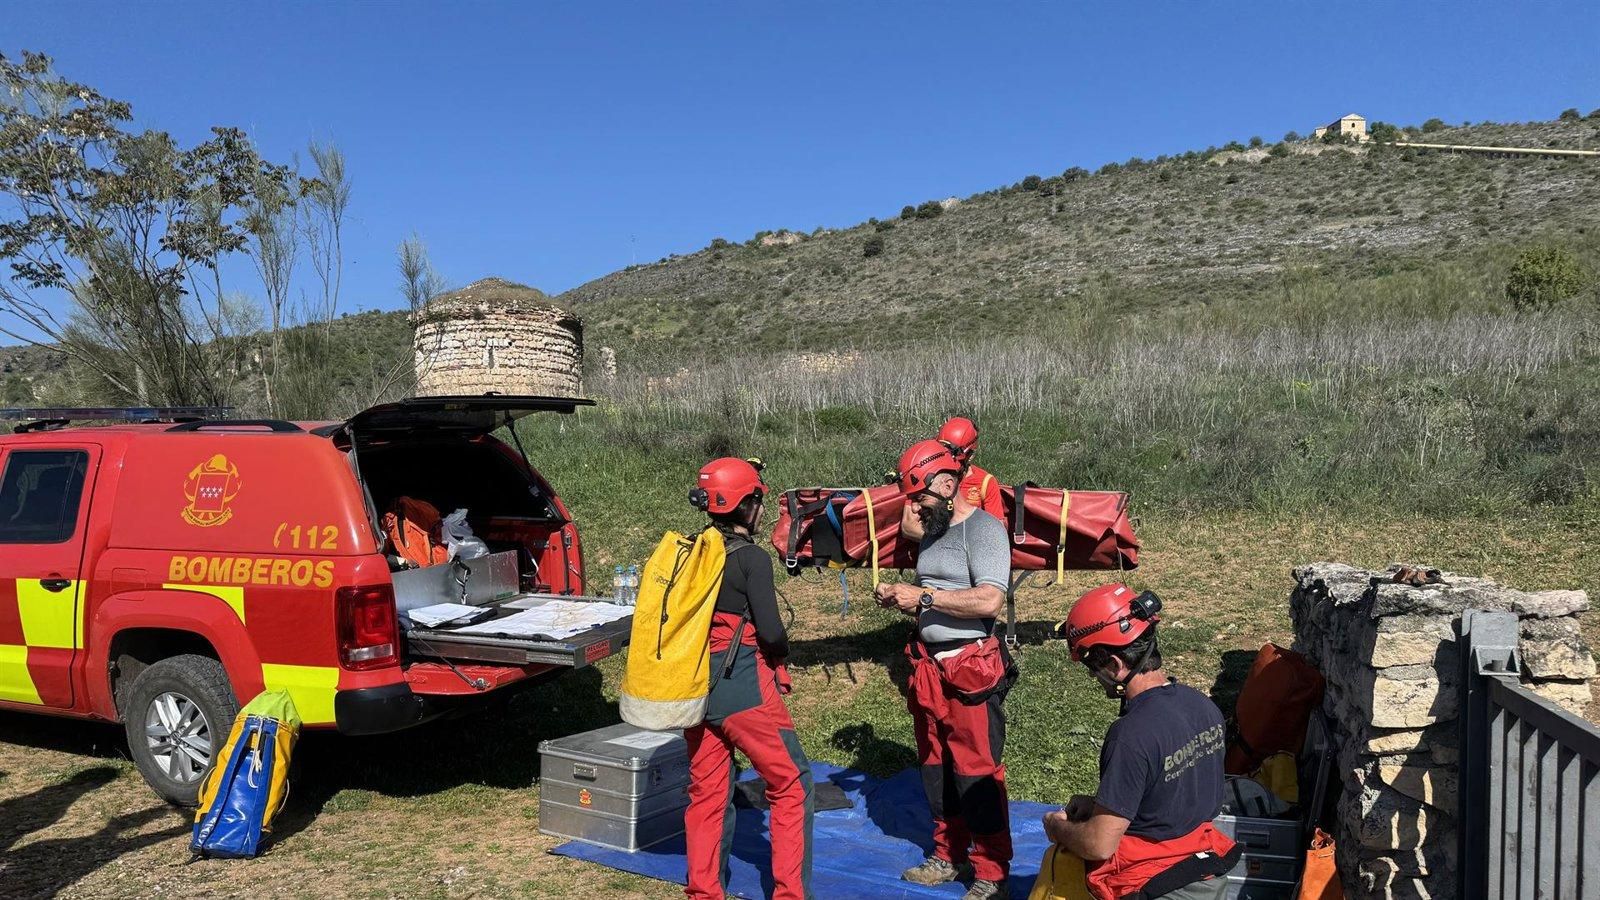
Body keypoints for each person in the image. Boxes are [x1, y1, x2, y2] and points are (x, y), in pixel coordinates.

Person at [875, 440, 1016, 900]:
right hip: (929, 671)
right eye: (911, 497)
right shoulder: (933, 532)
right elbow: (933, 595)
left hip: (969, 669)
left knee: (976, 772)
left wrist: (924, 599)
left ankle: (991, 873)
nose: (914, 507)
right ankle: (948, 854)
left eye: (921, 496)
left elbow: (990, 600)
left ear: (949, 483)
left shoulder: (985, 531)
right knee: (936, 767)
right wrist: (904, 599)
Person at [1043, 584, 1238, 900]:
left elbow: (1099, 844)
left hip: (1155, 885)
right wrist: (1101, 805)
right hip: (1205, 873)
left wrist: (1057, 828)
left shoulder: (1131, 735)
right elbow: (1171, 794)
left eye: (1094, 670)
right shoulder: (1203, 706)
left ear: (1115, 666)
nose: (1095, 680)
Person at [683, 458, 814, 900]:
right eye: (757, 500)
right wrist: (781, 655)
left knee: (707, 792)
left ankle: (704, 892)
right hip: (742, 687)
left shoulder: (691, 551)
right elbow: (772, 632)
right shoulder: (752, 560)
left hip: (694, 692)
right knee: (792, 784)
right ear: (747, 504)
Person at [902, 417, 1005, 541]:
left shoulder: (985, 483)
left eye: (954, 458)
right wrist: (947, 544)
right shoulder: (924, 476)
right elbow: (908, 527)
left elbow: (996, 534)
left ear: (970, 456)